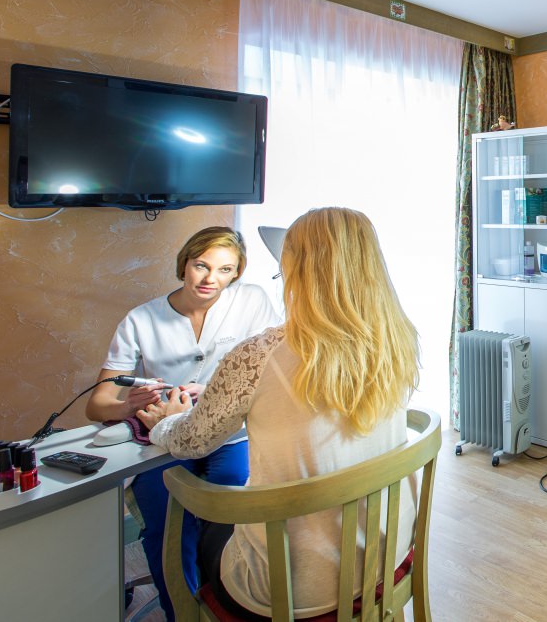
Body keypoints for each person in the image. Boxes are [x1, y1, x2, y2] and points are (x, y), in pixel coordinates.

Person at [139, 207, 421, 618]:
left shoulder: (259, 355)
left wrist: (164, 421)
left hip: (293, 589)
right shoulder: (396, 337)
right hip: (385, 556)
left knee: (201, 523)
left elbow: (191, 442)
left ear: (296, 272)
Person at [86, 226, 280, 621]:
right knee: (166, 530)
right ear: (184, 264)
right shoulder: (142, 319)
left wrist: (214, 390)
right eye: (201, 266)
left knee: (230, 518)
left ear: (237, 273)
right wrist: (128, 406)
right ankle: (183, 612)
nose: (211, 279)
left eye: (225, 270)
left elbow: (274, 368)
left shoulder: (252, 301)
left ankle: (228, 608)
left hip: (230, 438)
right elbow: (97, 405)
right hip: (166, 440)